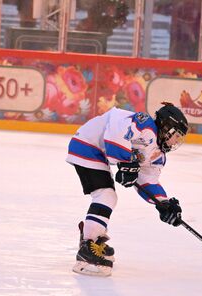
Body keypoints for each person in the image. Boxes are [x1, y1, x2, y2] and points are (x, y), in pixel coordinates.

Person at [66, 102, 189, 276]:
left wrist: (164, 204)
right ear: (167, 127)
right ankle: (87, 251)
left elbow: (148, 180)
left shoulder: (157, 154)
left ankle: (92, 241)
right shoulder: (144, 123)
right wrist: (125, 163)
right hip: (87, 144)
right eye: (176, 135)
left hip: (96, 152)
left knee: (107, 196)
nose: (177, 141)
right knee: (106, 196)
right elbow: (115, 128)